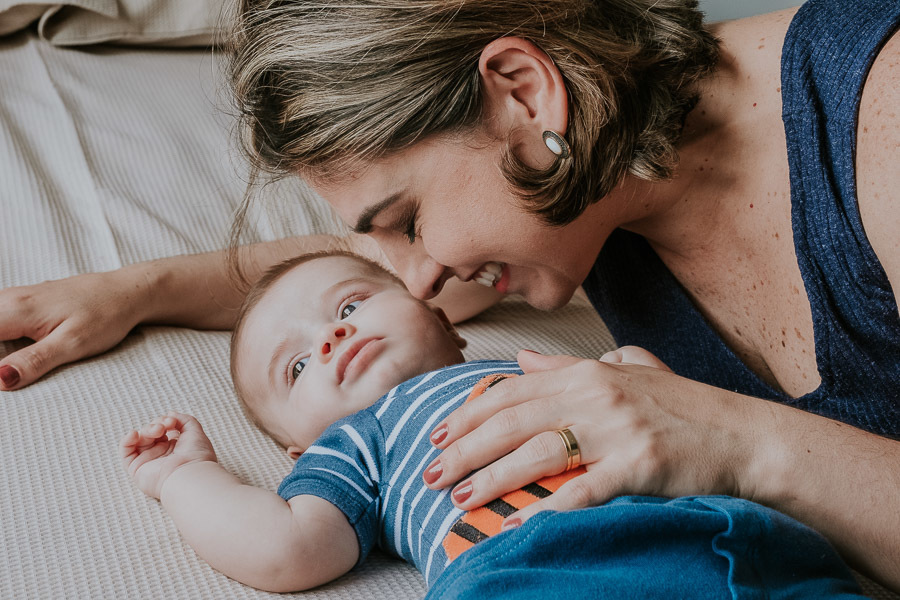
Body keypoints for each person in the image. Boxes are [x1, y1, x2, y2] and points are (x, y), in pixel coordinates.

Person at [2, 0, 898, 590]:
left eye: (409, 221)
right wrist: (132, 291)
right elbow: (340, 273)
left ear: (523, 92)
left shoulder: (878, 122)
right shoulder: (584, 185)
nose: (419, 280)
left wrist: (739, 443)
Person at [120, 250, 863, 597]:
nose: (332, 337)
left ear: (445, 322)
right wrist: (184, 476)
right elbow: (286, 548)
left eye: (349, 305)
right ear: (299, 447)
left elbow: (665, 413)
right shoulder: (356, 443)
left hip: (731, 533)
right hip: (533, 570)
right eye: (295, 368)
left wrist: (634, 369)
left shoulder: (533, 365)